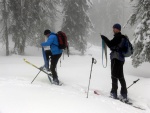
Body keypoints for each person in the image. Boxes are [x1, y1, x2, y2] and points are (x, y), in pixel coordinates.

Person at [101, 24, 128, 101]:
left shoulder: (118, 37)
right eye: (113, 28)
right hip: (121, 59)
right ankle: (124, 94)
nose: (113, 29)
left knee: (114, 75)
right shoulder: (122, 37)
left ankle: (114, 93)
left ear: (118, 29)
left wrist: (104, 38)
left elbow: (110, 44)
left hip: (116, 58)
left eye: (114, 28)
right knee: (120, 76)